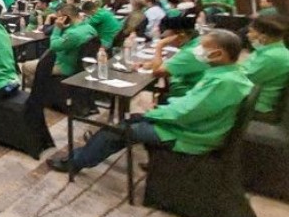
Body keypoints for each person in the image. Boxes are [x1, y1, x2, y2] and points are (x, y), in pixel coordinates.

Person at [48, 30, 253, 174]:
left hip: (189, 135)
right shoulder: (230, 74)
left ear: (219, 54)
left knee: (117, 131)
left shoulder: (224, 82)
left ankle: (76, 162)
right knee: (125, 122)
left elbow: (185, 113)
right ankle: (82, 154)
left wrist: (152, 114)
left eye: (203, 47)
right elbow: (191, 106)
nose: (198, 50)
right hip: (193, 127)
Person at [21, 4, 97, 87]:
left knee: (26, 66)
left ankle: (39, 92)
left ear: (66, 18)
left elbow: (53, 46)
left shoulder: (73, 34)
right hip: (78, 65)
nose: (57, 20)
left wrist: (57, 28)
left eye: (59, 17)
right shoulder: (89, 28)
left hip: (65, 66)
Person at [139, 15, 208, 100]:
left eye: (165, 36)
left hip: (187, 96)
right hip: (198, 88)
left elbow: (157, 72)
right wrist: (153, 64)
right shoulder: (198, 42)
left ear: (180, 35)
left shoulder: (190, 52)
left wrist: (159, 45)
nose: (163, 37)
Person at [242, 14, 289, 121]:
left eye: (251, 31)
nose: (247, 35)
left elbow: (242, 80)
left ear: (264, 37)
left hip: (255, 107)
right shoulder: (267, 50)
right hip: (249, 99)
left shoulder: (273, 56)